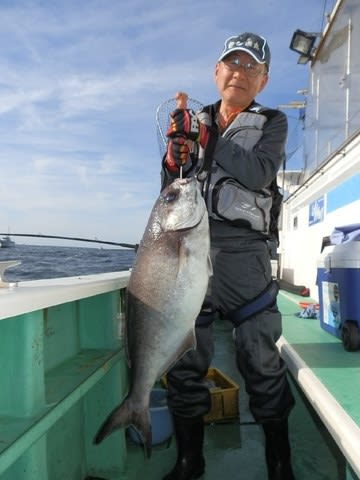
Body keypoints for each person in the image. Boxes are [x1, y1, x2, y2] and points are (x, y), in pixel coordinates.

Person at [161, 32, 295, 480]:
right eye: (231, 64)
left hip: (245, 254)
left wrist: (210, 135)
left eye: (251, 68)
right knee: (185, 360)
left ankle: (279, 465)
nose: (239, 72)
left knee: (260, 358)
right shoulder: (196, 121)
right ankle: (188, 461)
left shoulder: (272, 121)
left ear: (263, 81)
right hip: (190, 249)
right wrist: (172, 158)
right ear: (217, 73)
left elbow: (258, 174)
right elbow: (171, 194)